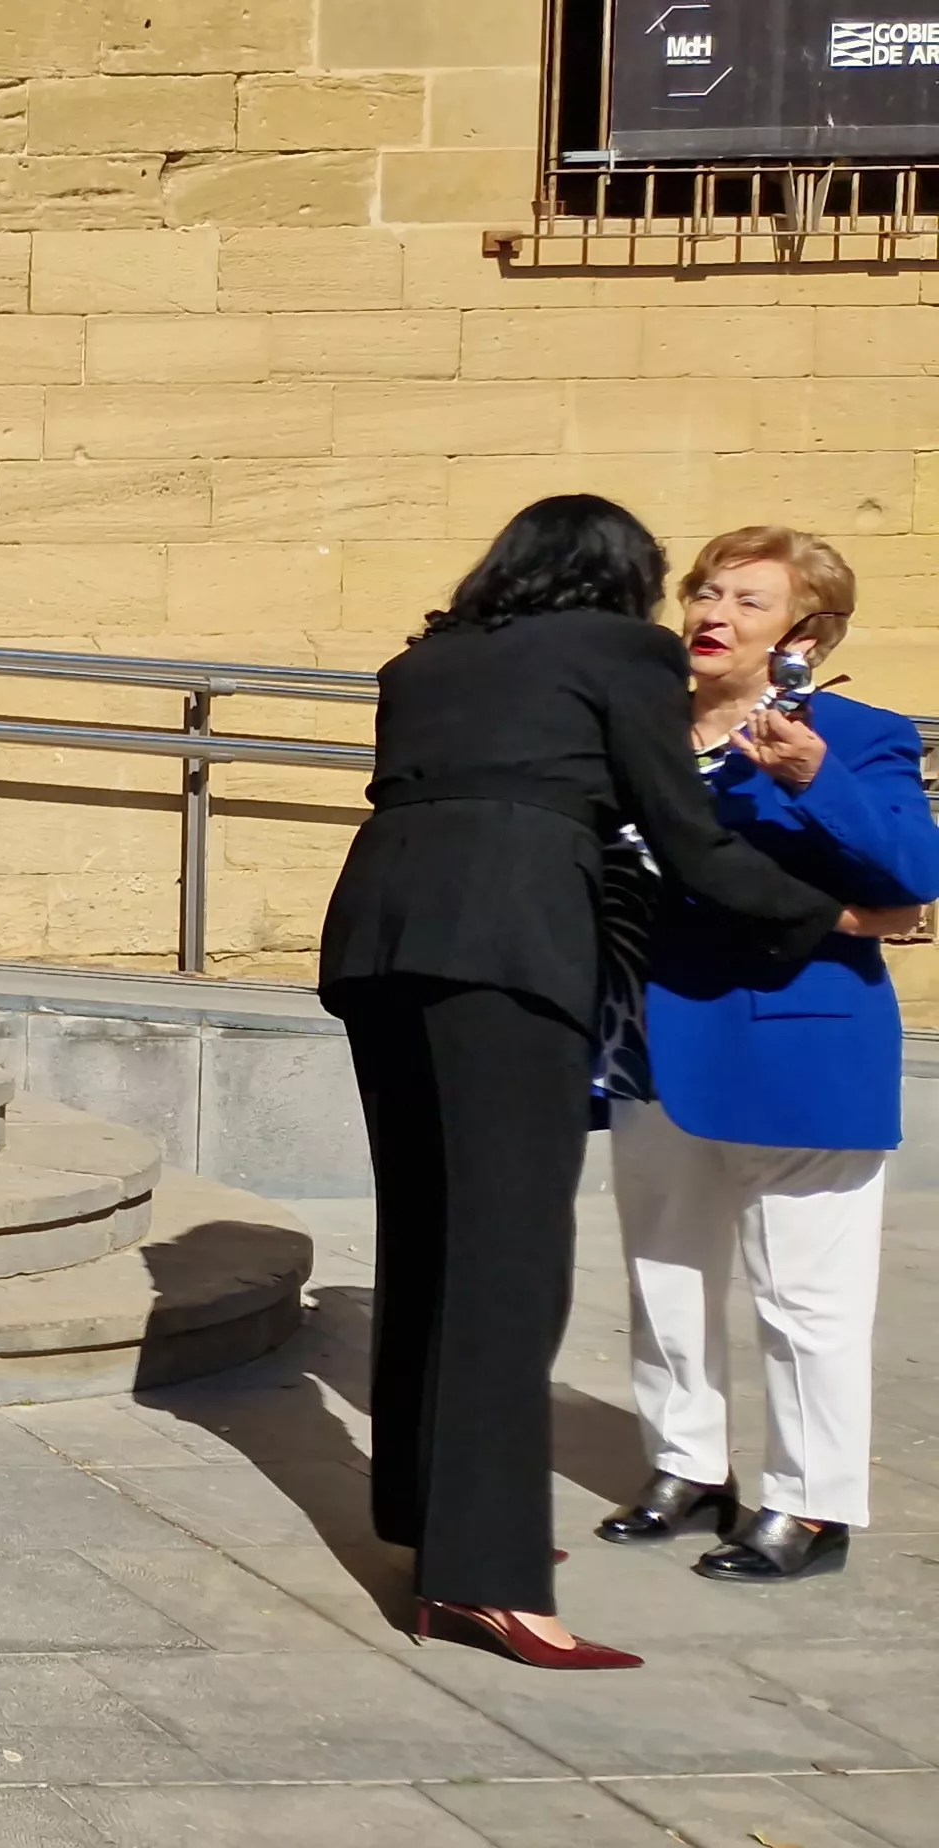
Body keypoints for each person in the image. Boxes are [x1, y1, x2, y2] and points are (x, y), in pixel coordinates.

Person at [319, 494, 886, 1669]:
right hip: (511, 951)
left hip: (378, 937)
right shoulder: (621, 652)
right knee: (508, 1264)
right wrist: (825, 912)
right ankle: (483, 1580)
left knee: (425, 1232)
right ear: (622, 577)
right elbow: (682, 830)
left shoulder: (423, 662)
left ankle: (428, 1516)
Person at [596, 527, 939, 1584]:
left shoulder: (856, 734)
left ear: (805, 631)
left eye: (748, 600)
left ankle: (810, 1504)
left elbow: (912, 872)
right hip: (651, 1040)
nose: (713, 614)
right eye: (705, 592)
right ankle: (687, 1465)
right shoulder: (639, 728)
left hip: (796, 1047)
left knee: (804, 1298)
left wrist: (814, 777)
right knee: (664, 1272)